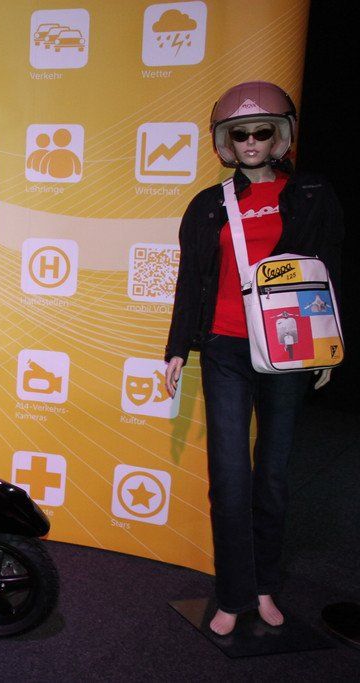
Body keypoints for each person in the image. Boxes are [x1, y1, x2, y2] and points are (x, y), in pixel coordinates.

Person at [163, 82, 343, 636]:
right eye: (239, 133)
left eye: (262, 131)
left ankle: (264, 585)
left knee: (273, 475)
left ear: (280, 136)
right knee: (229, 477)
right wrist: (176, 348)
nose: (251, 141)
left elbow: (329, 270)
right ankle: (233, 592)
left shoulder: (312, 192)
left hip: (288, 349)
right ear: (225, 141)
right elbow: (190, 278)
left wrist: (329, 343)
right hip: (225, 348)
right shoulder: (209, 204)